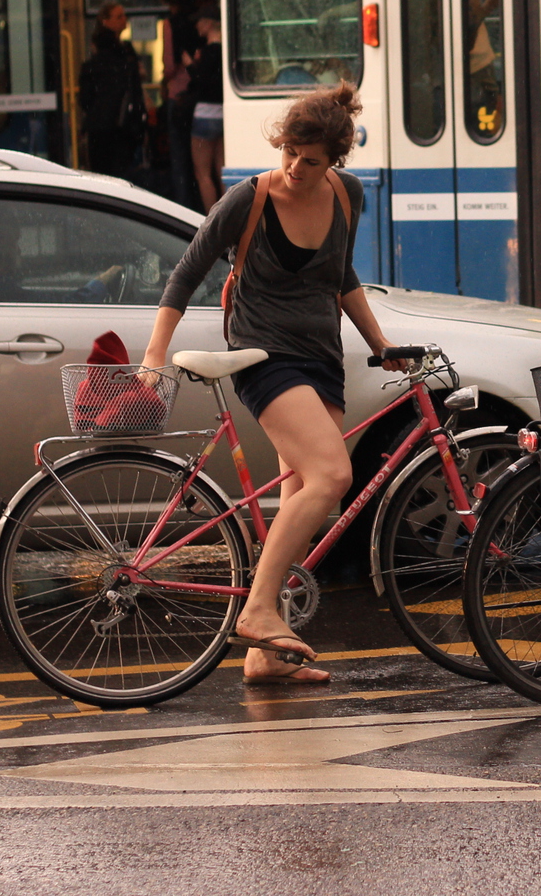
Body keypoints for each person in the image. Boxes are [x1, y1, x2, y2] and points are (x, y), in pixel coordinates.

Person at [145, 81, 407, 684]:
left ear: (333, 161)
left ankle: (264, 657)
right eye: (288, 151)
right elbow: (186, 272)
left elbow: (341, 278)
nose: (294, 166)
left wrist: (379, 344)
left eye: (310, 159)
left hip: (321, 357)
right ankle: (258, 609)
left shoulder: (348, 196)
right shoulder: (250, 198)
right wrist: (156, 352)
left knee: (302, 494)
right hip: (263, 355)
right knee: (333, 475)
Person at [79, 2, 146, 178]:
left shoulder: (95, 60)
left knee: (101, 174)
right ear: (105, 21)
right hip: (122, 126)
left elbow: (85, 99)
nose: (124, 20)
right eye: (119, 16)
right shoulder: (124, 56)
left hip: (100, 127)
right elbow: (133, 89)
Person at [161, 0, 203, 211]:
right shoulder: (200, 22)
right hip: (199, 95)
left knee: (179, 159)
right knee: (199, 160)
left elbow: (169, 65)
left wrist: (165, 80)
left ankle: (183, 208)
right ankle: (201, 206)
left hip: (178, 95)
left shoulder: (170, 24)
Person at [189, 5, 225, 210]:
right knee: (221, 171)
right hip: (222, 114)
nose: (196, 26)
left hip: (204, 115)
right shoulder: (226, 50)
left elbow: (201, 84)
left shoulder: (207, 52)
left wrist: (190, 65)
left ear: (208, 23)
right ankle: (228, 214)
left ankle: (212, 220)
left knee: (203, 174)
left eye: (199, 22)